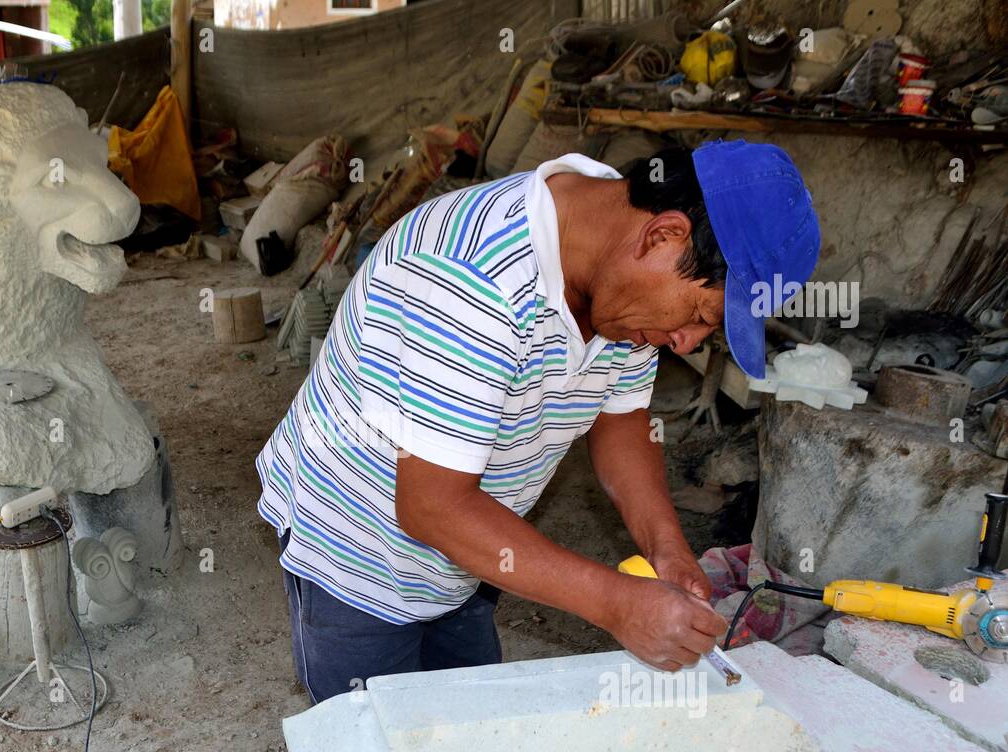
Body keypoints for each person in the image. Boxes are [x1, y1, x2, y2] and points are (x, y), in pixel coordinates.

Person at [255, 140, 820, 702]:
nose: (686, 341)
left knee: (469, 725)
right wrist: (618, 604)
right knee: (376, 750)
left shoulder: (617, 276)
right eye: (699, 315)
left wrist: (666, 548)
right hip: (360, 552)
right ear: (664, 235)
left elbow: (622, 420)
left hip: (473, 548)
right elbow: (433, 504)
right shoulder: (471, 281)